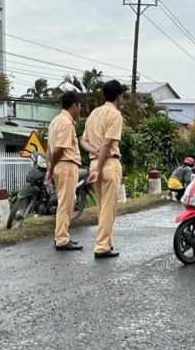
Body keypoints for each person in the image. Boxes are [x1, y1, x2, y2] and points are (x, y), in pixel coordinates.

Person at [81, 80, 124, 259]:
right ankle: (101, 247)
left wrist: (94, 152)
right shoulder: (115, 115)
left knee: (101, 207)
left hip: (93, 163)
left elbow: (83, 141)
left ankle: (108, 243)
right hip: (107, 165)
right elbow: (107, 143)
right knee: (109, 208)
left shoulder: (93, 114)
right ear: (119, 97)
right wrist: (100, 165)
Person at [45, 91, 84, 251]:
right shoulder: (67, 124)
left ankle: (63, 236)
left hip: (60, 166)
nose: (80, 110)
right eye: (80, 106)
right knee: (66, 204)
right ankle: (61, 239)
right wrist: (52, 166)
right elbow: (58, 149)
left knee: (67, 201)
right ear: (74, 106)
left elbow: (49, 148)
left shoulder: (55, 121)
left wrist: (49, 168)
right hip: (66, 165)